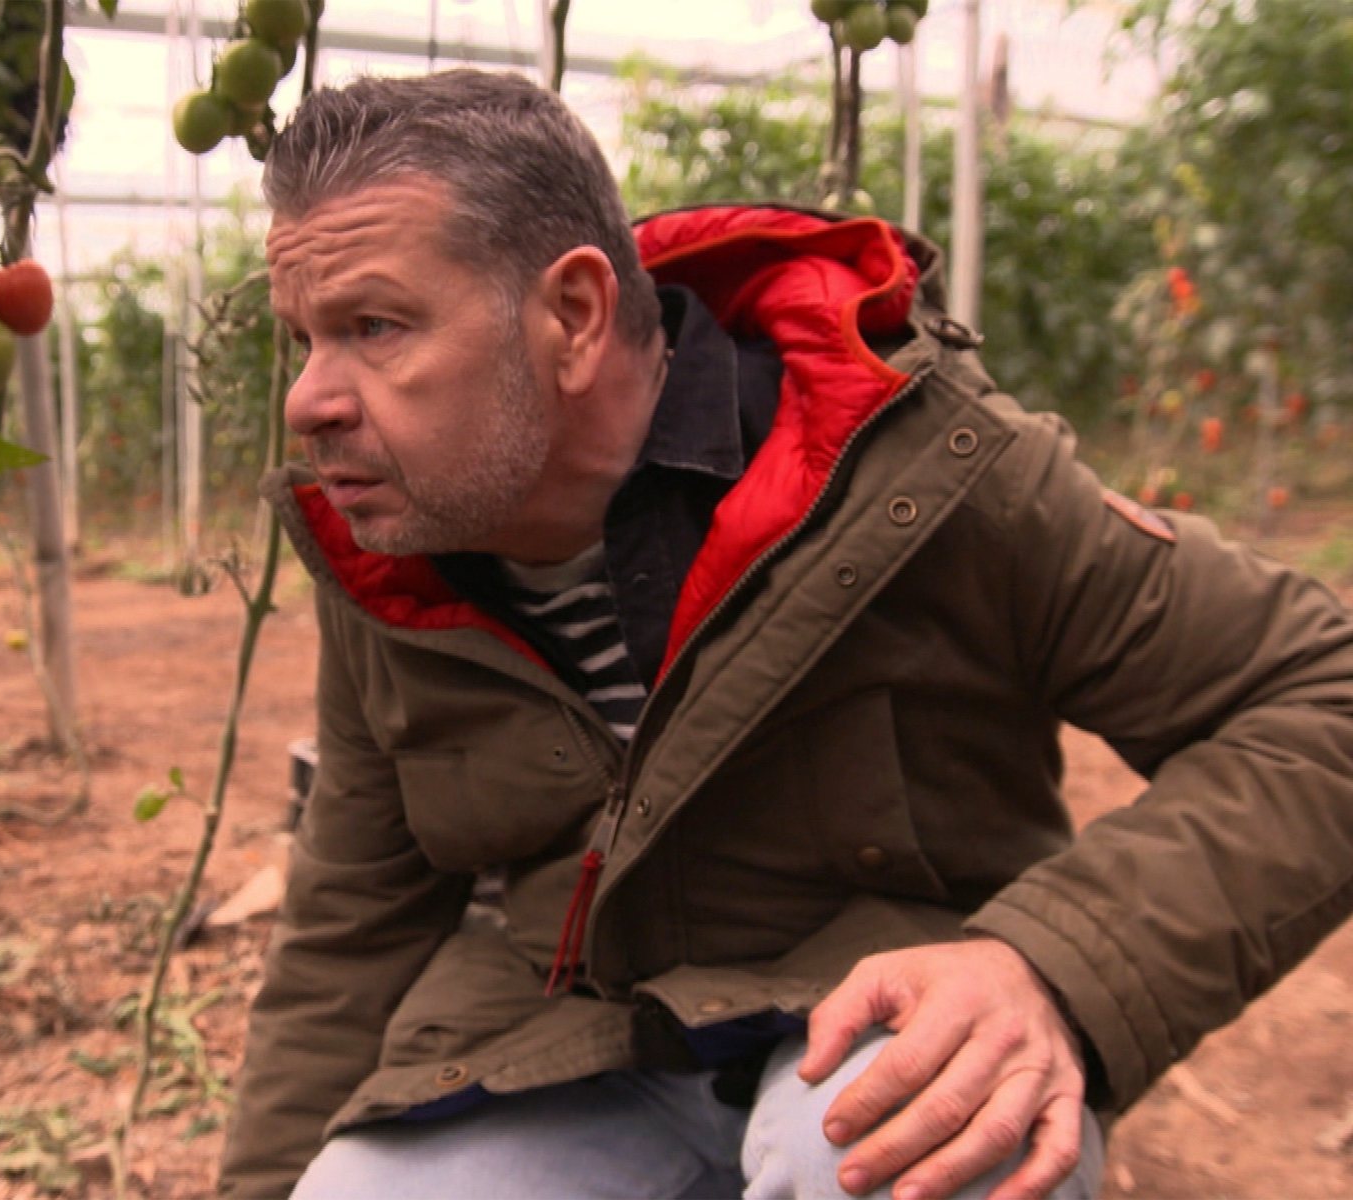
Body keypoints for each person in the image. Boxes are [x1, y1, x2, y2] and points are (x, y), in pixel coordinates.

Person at [219, 68, 1353, 1199]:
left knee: (905, 1151)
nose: (308, 400)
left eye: (373, 326)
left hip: (882, 1010)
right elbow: (351, 928)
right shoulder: (394, 572)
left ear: (571, 316)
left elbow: (1322, 694)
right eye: (306, 339)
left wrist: (1050, 964)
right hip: (578, 1046)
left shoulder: (917, 476)